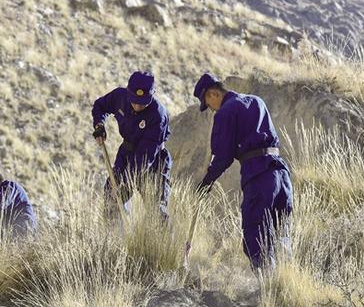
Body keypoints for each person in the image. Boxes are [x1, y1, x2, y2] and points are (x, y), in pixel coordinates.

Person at [193, 73, 293, 270]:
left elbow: (223, 157)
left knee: (256, 236)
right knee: (282, 235)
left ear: (213, 94)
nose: (212, 110)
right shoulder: (257, 101)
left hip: (259, 175)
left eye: (209, 105)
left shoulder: (225, 113)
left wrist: (206, 182)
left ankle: (267, 283)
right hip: (281, 173)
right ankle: (284, 281)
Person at [92, 70, 172, 219]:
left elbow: (144, 158)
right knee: (111, 198)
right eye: (134, 101)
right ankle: (116, 231)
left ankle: (164, 235)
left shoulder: (158, 115)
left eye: (142, 103)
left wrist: (126, 184)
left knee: (156, 211)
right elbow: (100, 106)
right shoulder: (119, 97)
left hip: (153, 162)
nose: (137, 106)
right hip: (126, 154)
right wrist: (99, 125)